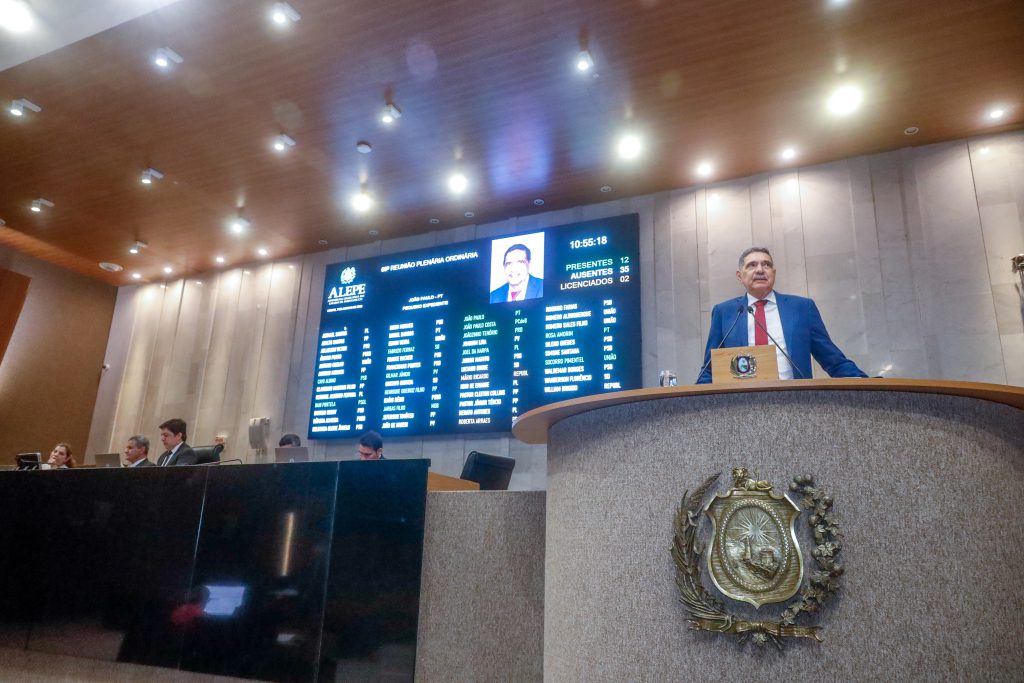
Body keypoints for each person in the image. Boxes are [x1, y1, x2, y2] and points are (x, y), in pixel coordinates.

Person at [696, 247, 867, 383]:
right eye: (752, 265)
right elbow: (710, 370)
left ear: (774, 273)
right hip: (741, 405)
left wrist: (868, 384)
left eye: (766, 265)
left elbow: (832, 359)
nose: (760, 270)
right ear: (740, 276)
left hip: (794, 401)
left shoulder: (802, 308)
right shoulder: (724, 312)